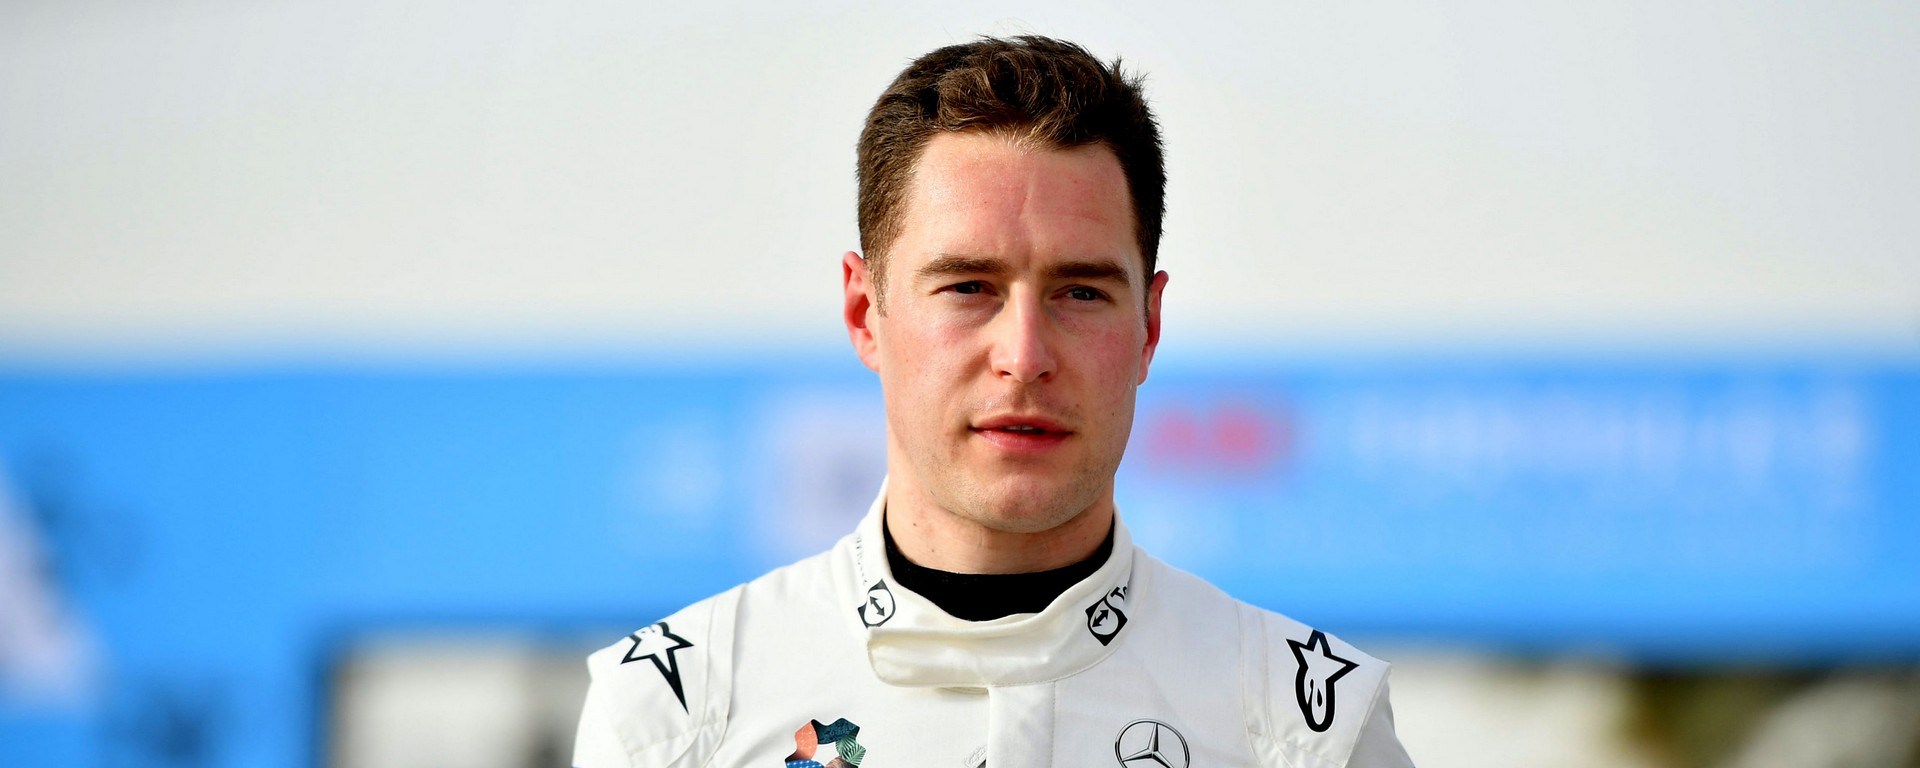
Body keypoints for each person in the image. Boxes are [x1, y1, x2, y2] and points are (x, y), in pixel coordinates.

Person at [573, 35, 1415, 768]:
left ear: (1150, 326)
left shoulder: (1309, 729)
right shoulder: (673, 719)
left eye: (1080, 293)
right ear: (866, 314)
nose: (1025, 357)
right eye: (969, 286)